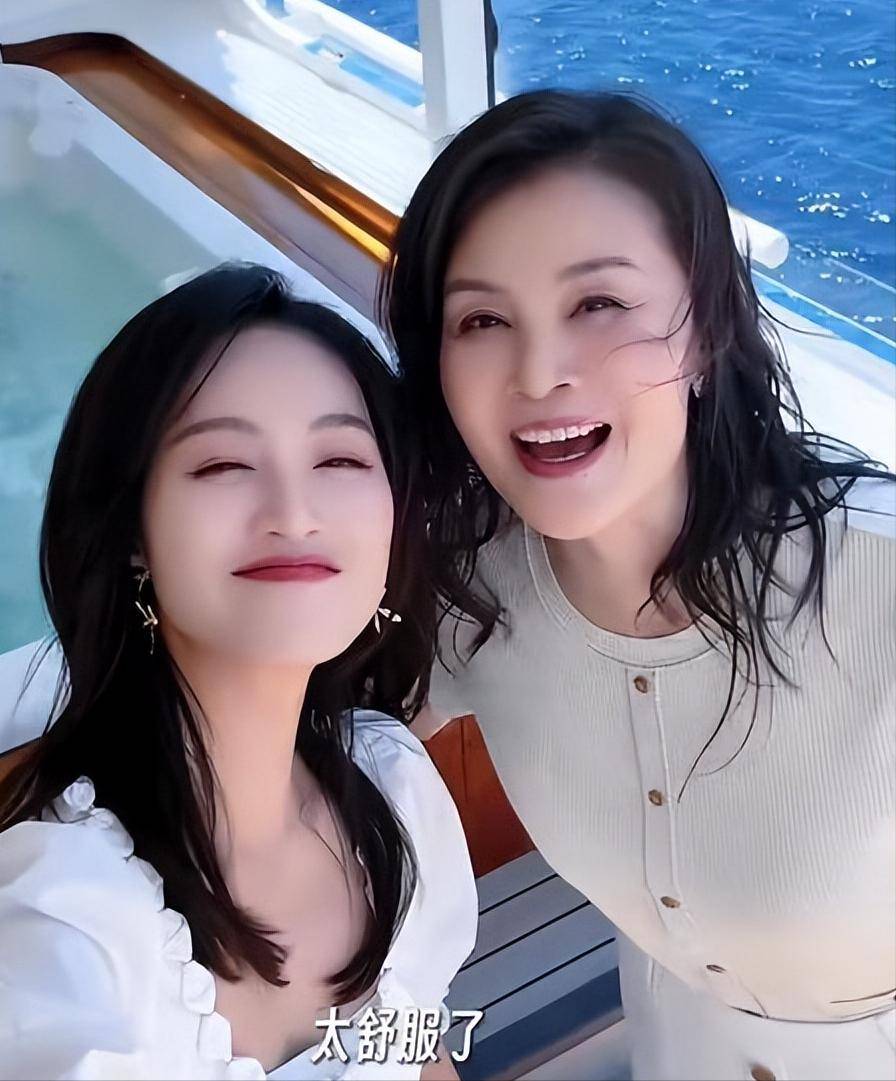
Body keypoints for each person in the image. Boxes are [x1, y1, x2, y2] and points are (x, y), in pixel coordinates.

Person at [382, 90, 896, 1081]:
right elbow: (297, 798)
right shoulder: (466, 591)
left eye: (598, 304)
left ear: (704, 328)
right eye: (481, 318)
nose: (538, 373)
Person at [0, 264, 477, 1080]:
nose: (294, 512)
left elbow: (415, 1045)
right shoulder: (68, 931)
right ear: (133, 534)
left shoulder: (395, 793)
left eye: (340, 459)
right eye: (223, 464)